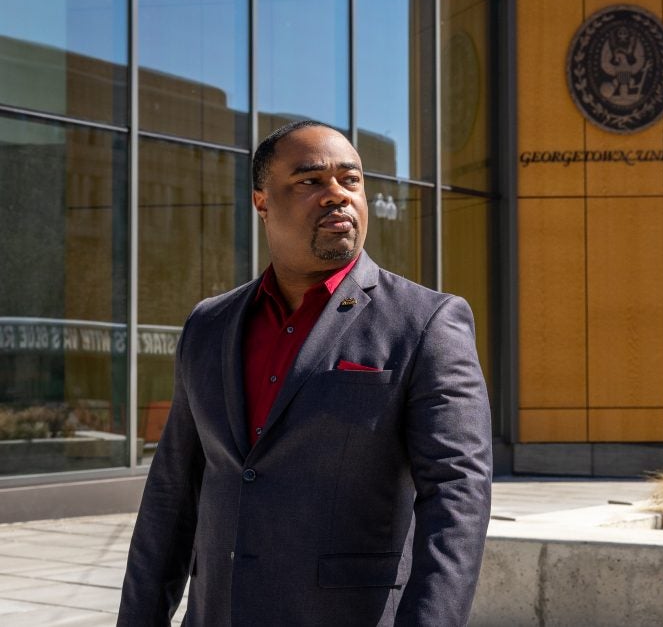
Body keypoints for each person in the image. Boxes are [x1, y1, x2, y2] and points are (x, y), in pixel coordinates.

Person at [118, 120, 492, 626]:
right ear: (262, 201)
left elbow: (456, 494)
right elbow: (172, 492)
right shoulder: (209, 324)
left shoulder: (426, 322)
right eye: (310, 181)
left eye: (351, 180)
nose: (337, 195)